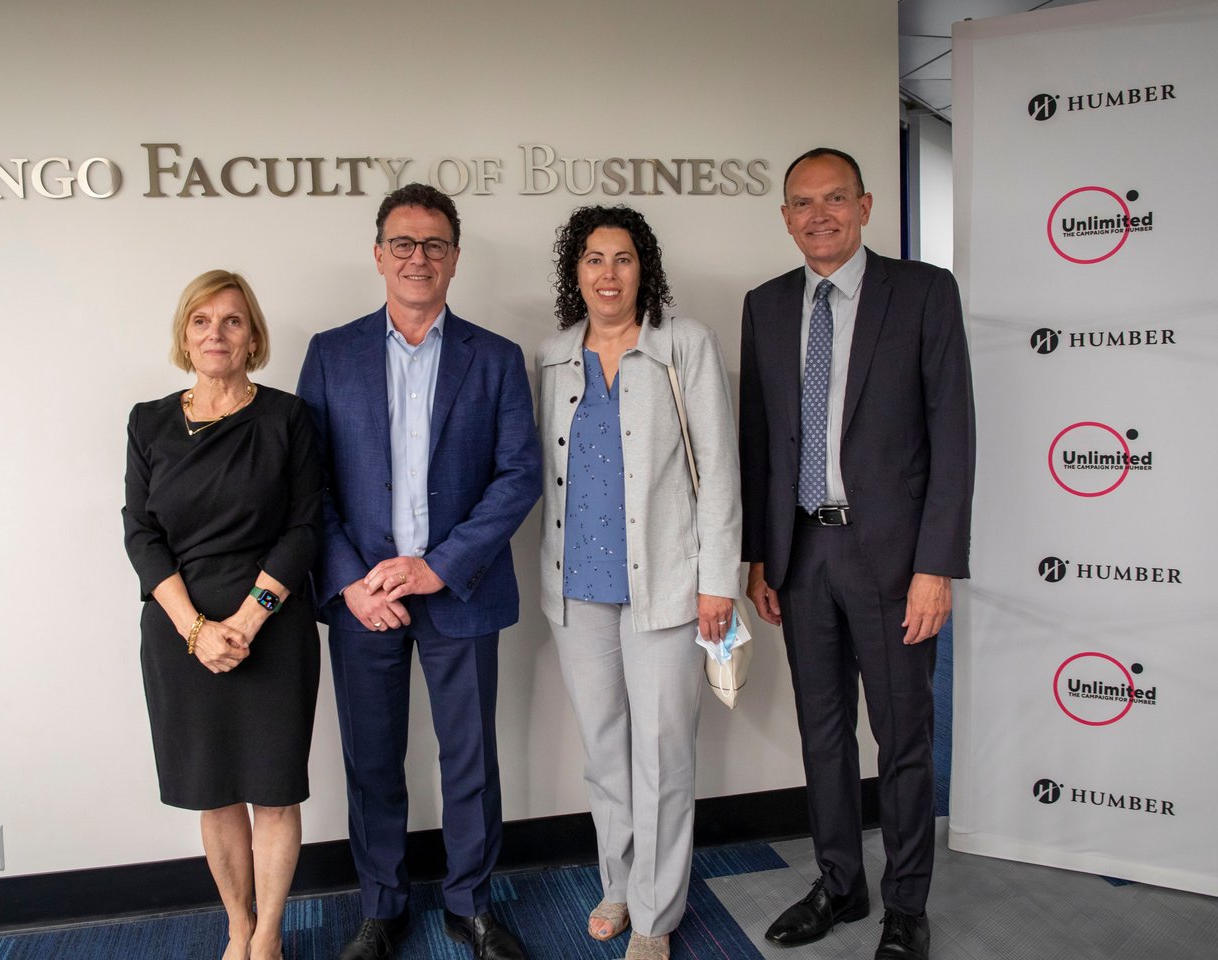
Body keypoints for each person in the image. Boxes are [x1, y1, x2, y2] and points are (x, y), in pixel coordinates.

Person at [738, 148, 975, 960]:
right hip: (801, 555)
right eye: (802, 203)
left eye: (835, 198)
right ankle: (841, 883)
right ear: (785, 217)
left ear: (866, 206)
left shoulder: (922, 292)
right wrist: (759, 558)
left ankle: (906, 904)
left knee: (904, 735)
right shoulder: (766, 305)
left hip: (896, 561)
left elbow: (954, 435)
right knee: (823, 733)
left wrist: (936, 566)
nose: (819, 215)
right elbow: (760, 440)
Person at [296, 183, 541, 960]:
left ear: (455, 259)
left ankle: (471, 905)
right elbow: (310, 482)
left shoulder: (496, 358)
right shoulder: (330, 354)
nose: (418, 258)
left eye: (434, 244)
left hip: (458, 592)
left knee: (469, 760)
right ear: (378, 256)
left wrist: (440, 567)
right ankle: (382, 905)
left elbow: (519, 475)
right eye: (402, 243)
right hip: (364, 601)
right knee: (372, 763)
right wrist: (349, 582)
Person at [536, 205, 741, 960]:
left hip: (670, 586)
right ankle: (617, 884)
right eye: (594, 259)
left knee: (663, 753)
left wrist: (717, 580)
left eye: (623, 259)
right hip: (577, 587)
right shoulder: (553, 356)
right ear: (576, 272)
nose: (609, 273)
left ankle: (656, 915)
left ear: (643, 269)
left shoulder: (683, 346)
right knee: (604, 749)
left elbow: (718, 470)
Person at [123, 269, 322, 960]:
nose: (216, 333)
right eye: (202, 321)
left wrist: (245, 620)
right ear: (185, 334)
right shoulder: (148, 421)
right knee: (213, 793)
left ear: (253, 336)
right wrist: (197, 630)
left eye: (232, 321)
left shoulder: (288, 417)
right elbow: (141, 534)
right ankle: (235, 929)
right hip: (182, 630)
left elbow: (303, 529)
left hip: (270, 622)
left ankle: (268, 938)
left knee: (272, 792)